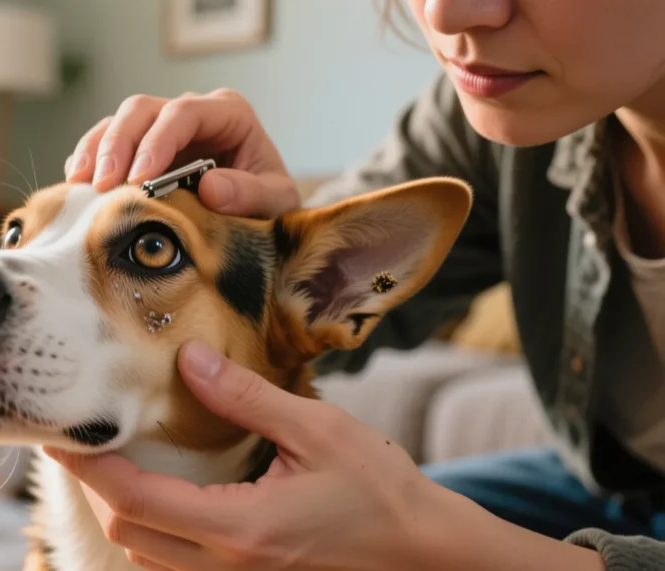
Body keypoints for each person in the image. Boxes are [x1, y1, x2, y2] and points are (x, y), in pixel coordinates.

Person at [43, 0, 665, 568]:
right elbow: (325, 282)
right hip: (611, 487)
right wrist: (250, 236)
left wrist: (429, 536)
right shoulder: (489, 111)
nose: (447, 15)